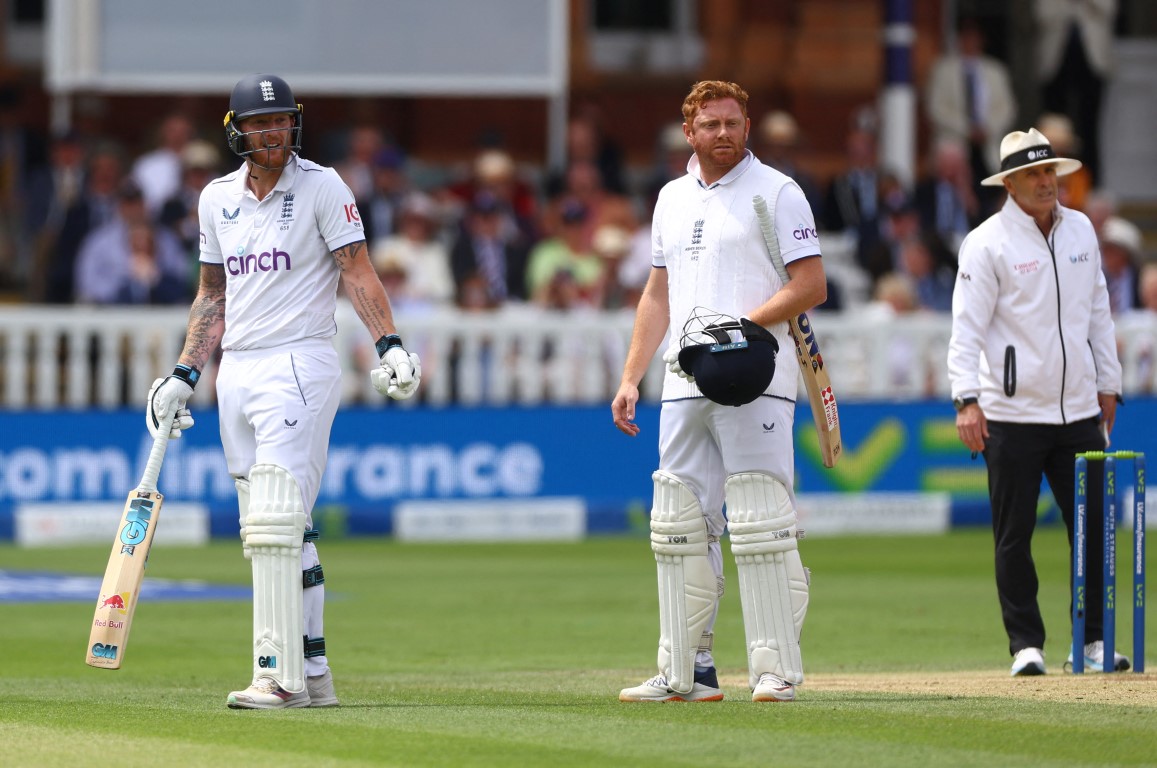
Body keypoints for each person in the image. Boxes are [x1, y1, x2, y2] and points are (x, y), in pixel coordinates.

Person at [144, 74, 422, 709]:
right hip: (234, 372)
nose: (272, 132)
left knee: (275, 520)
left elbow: (358, 270)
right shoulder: (216, 199)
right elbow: (212, 294)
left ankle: (278, 673)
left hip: (299, 362)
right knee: (275, 529)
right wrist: (183, 373)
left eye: (281, 120)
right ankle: (315, 675)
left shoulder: (323, 185)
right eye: (259, 122)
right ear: (236, 130)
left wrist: (389, 343)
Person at [612, 81, 826, 703]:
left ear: (747, 124)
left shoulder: (777, 193)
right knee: (678, 522)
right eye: (711, 125)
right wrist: (631, 375)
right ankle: (686, 671)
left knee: (760, 517)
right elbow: (658, 294)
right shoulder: (672, 198)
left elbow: (811, 283)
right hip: (683, 379)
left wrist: (744, 326)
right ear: (690, 131)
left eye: (733, 122)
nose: (724, 134)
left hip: (756, 373)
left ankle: (773, 669)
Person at [947, 127, 1126, 676]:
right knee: (1014, 535)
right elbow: (967, 328)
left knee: (1093, 528)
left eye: (1051, 172)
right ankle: (1026, 644)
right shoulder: (986, 242)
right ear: (1011, 184)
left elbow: (1098, 309)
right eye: (1034, 175)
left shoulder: (1081, 232)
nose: (1047, 183)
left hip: (1076, 411)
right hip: (1011, 414)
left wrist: (1109, 383)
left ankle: (1091, 643)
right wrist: (966, 400)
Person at [924, 16, 1017, 217]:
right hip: (955, 146)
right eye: (966, 37)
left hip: (989, 149)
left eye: (974, 37)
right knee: (956, 201)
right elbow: (935, 108)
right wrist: (967, 129)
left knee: (992, 201)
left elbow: (1007, 109)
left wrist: (987, 128)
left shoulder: (995, 71)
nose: (970, 41)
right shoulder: (943, 69)